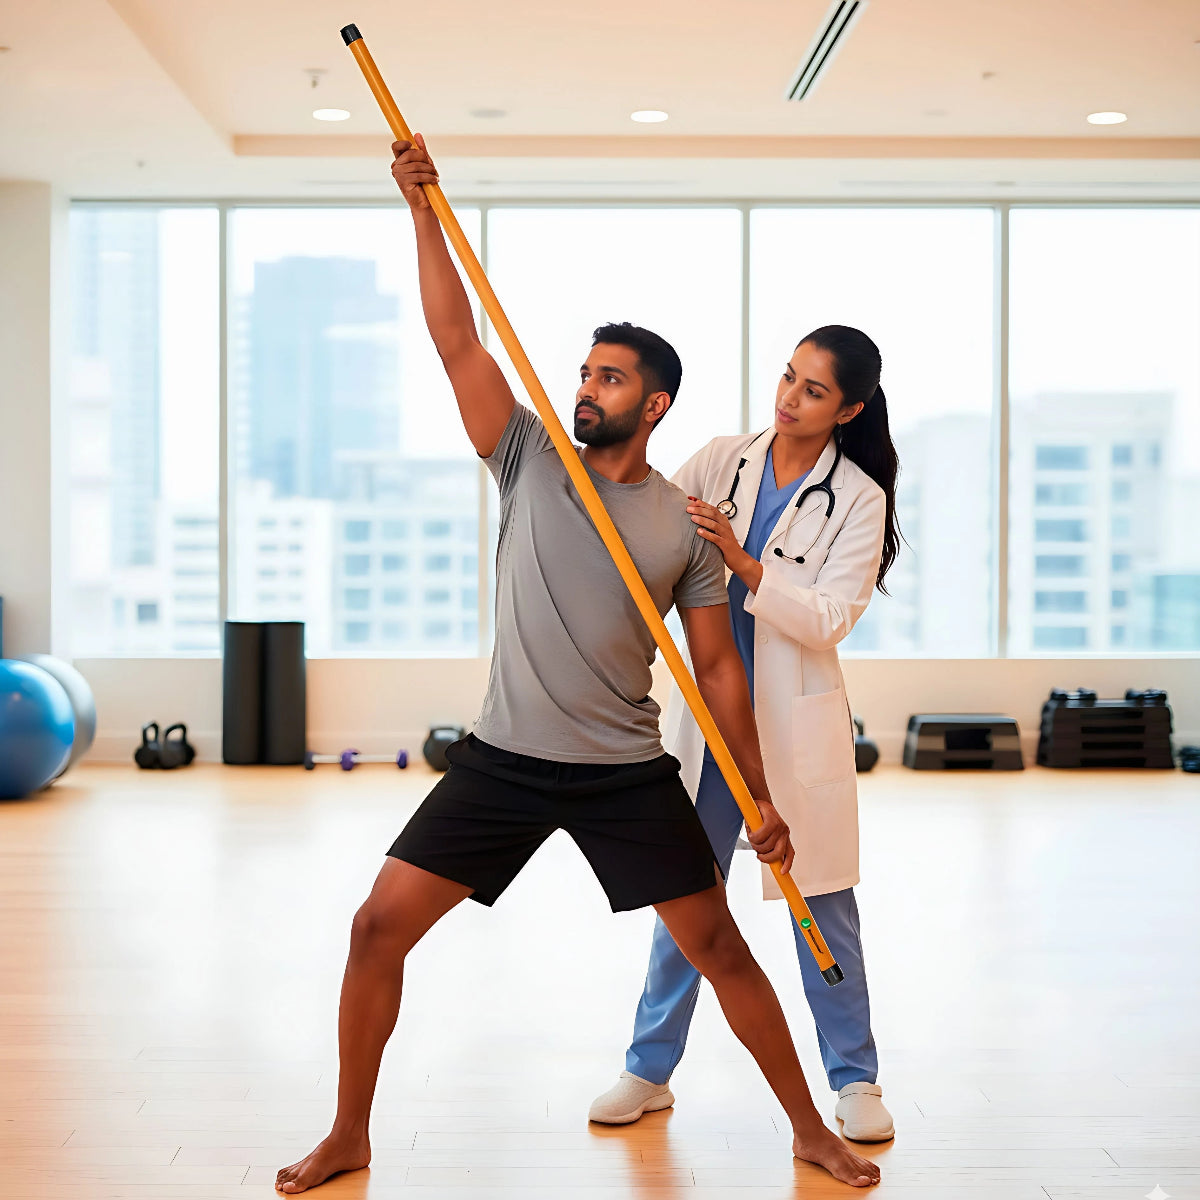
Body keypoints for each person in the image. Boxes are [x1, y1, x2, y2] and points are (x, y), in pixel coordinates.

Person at [273, 140, 881, 1194]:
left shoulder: (684, 525)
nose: (586, 388)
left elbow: (720, 672)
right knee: (376, 928)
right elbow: (455, 339)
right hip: (503, 760)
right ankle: (349, 1135)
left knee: (721, 949)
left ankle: (810, 1129)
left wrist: (758, 792)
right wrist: (422, 212)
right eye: (584, 372)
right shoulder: (530, 457)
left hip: (622, 772)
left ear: (655, 404)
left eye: (609, 377)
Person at [590, 325, 900, 1145]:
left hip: (792, 728)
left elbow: (830, 617)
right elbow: (649, 527)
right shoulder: (723, 459)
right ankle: (649, 1070)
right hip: (713, 724)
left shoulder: (858, 498)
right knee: (687, 897)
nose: (788, 398)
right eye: (788, 377)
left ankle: (856, 1078)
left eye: (813, 390)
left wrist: (744, 561)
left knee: (821, 905)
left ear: (849, 410)